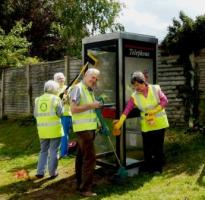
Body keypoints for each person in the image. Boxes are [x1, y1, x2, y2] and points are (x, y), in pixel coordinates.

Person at [113, 71, 169, 173]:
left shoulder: (155, 88)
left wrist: (154, 111)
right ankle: (148, 167)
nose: (136, 87)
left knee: (158, 147)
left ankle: (158, 168)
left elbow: (165, 101)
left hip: (160, 123)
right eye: (134, 86)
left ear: (143, 81)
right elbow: (127, 109)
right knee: (147, 148)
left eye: (138, 85)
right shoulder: (134, 96)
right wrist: (120, 121)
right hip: (147, 125)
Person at [70, 68, 101, 197]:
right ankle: (85, 188)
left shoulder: (89, 90)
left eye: (95, 78)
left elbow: (91, 110)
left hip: (89, 128)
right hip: (83, 129)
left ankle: (80, 184)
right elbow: (73, 109)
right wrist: (92, 106)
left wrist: (98, 123)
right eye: (92, 77)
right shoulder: (78, 88)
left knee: (81, 156)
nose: (93, 80)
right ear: (85, 75)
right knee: (90, 158)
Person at [34, 80, 63, 179]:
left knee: (43, 151)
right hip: (55, 130)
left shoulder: (38, 99)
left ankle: (40, 172)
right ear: (54, 89)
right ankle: (52, 173)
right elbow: (61, 114)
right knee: (54, 151)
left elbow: (35, 114)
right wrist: (62, 103)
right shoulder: (56, 99)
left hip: (42, 130)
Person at [54, 72, 72, 158]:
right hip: (58, 114)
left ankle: (63, 153)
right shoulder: (54, 90)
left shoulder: (68, 88)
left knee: (65, 133)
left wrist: (67, 96)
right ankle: (60, 153)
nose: (61, 79)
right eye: (58, 78)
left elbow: (72, 101)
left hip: (67, 113)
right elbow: (55, 102)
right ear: (55, 80)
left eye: (62, 78)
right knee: (60, 134)